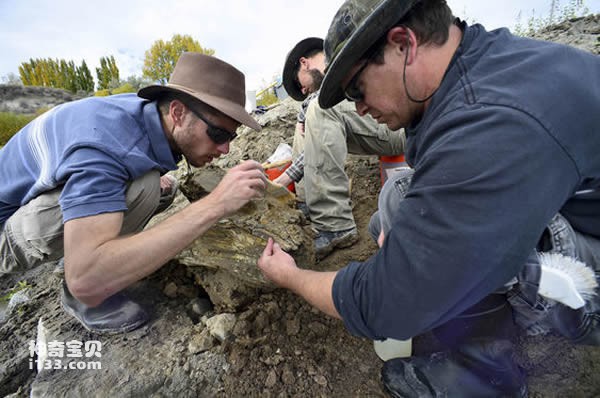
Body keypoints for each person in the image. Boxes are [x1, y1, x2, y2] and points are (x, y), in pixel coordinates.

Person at [258, 0, 600, 396]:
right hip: (581, 215)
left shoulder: (488, 119)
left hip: (588, 281)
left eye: (357, 88)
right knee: (400, 199)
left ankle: (487, 381)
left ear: (404, 43)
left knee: (458, 252)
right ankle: (480, 343)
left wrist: (292, 276)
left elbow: (385, 303)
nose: (359, 107)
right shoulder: (481, 64)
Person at [0, 52, 267, 334]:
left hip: (33, 196)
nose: (225, 149)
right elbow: (85, 279)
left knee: (160, 187)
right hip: (6, 231)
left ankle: (88, 244)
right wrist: (216, 203)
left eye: (231, 137)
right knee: (146, 187)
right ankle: (84, 292)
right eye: (218, 134)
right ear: (177, 112)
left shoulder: (143, 113)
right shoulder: (106, 146)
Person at [276, 37, 405, 259]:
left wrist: (285, 178)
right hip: (381, 125)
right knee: (306, 122)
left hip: (401, 123)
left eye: (299, 84)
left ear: (304, 63)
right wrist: (303, 115)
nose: (303, 90)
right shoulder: (328, 87)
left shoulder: (343, 61)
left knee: (319, 108)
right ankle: (309, 207)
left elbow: (324, 105)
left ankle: (334, 224)